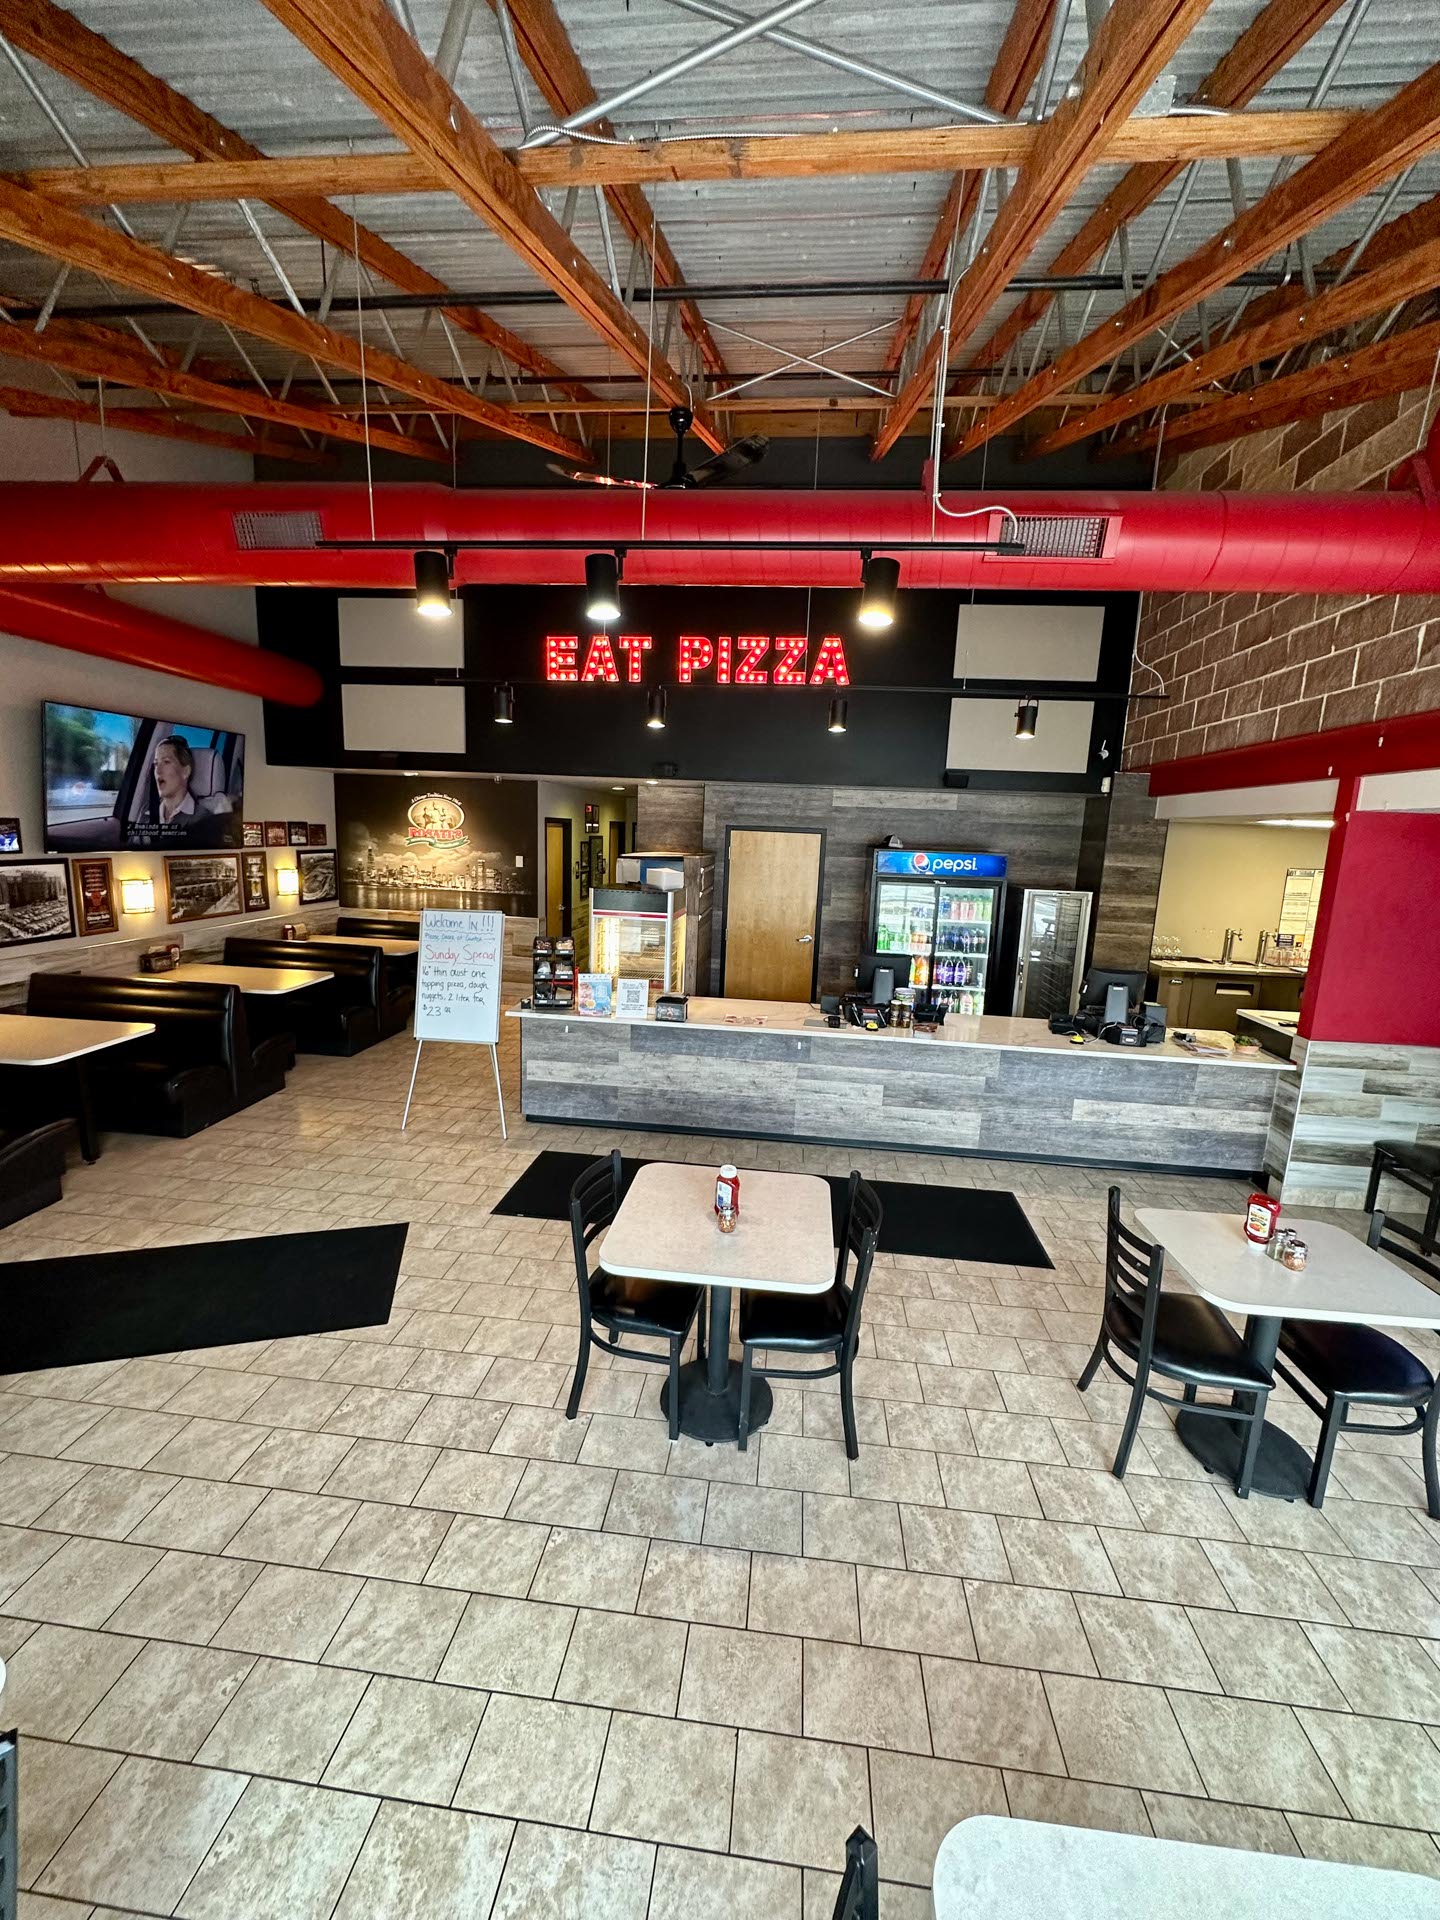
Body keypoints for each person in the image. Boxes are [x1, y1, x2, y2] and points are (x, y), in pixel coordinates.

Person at [141, 736, 236, 845]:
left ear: (185, 771)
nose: (157, 770)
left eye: (166, 762)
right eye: (156, 763)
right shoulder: (146, 814)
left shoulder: (203, 820)